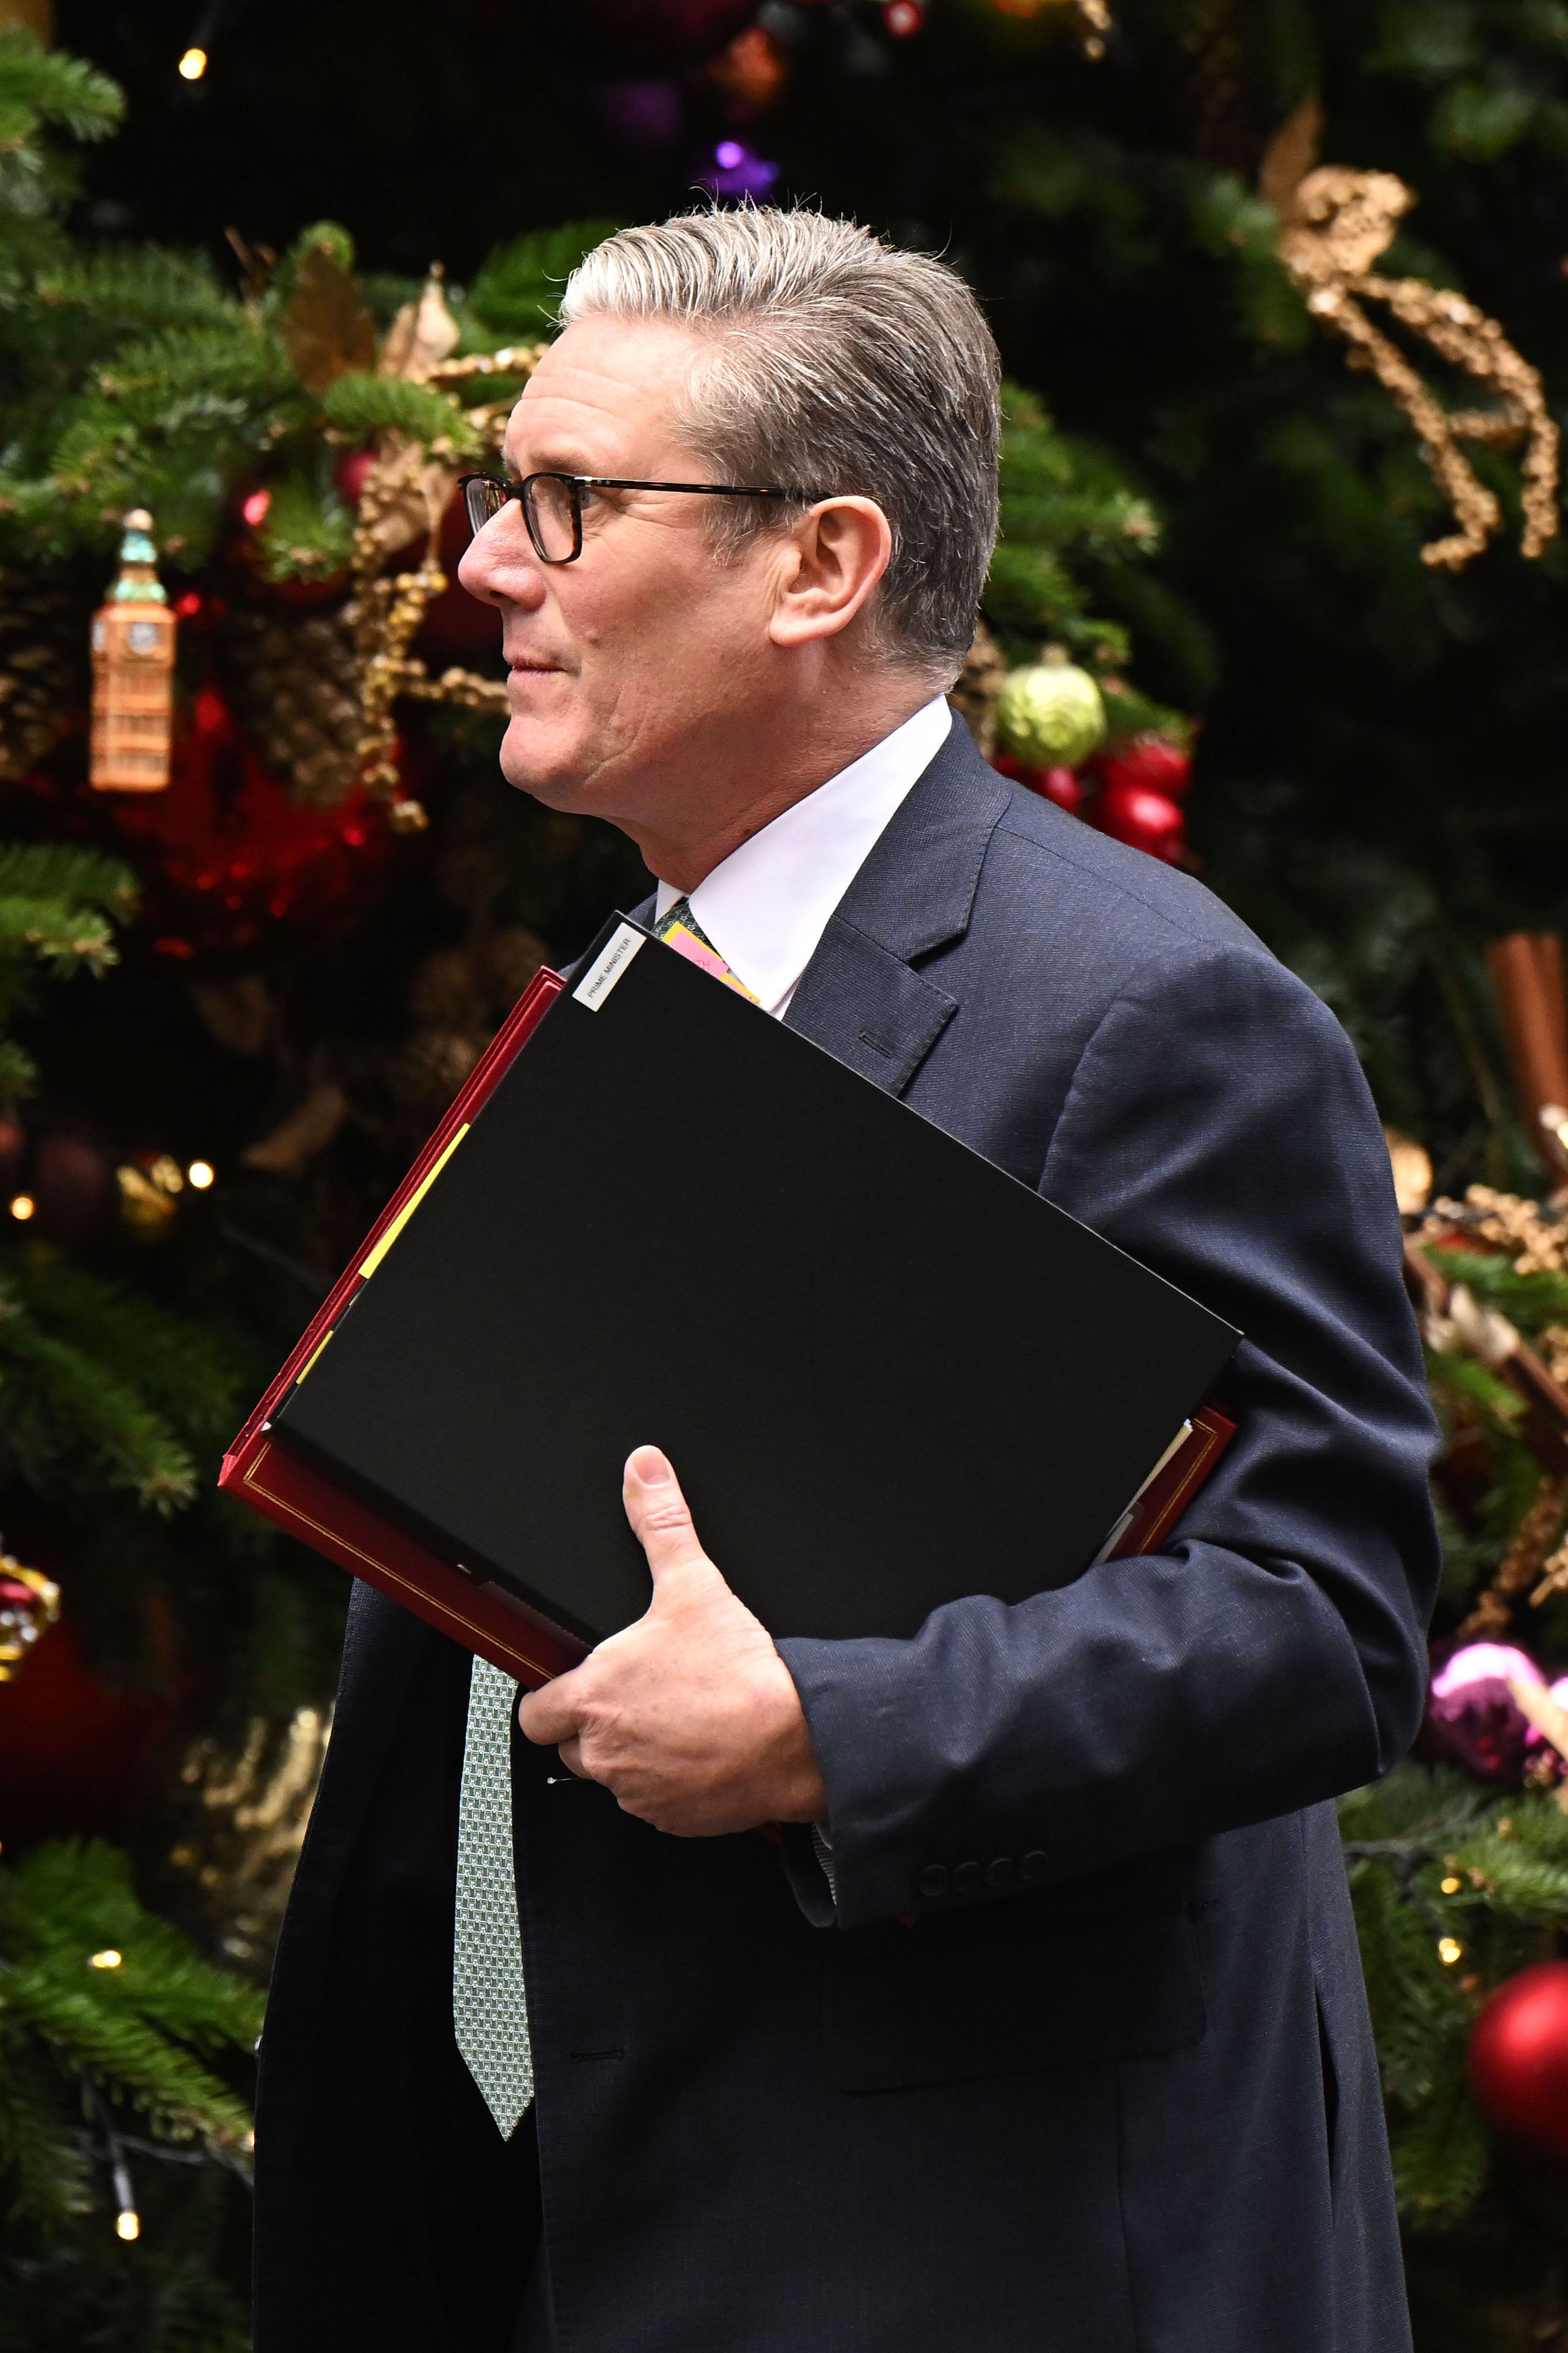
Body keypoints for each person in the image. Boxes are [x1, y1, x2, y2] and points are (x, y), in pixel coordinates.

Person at [253, 208, 1439, 2353]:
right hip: (565, 2232)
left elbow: (1321, 1616)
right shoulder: (629, 973)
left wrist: (827, 1729)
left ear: (818, 566)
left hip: (961, 2255)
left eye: (569, 501)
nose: (488, 567)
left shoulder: (1148, 1007)